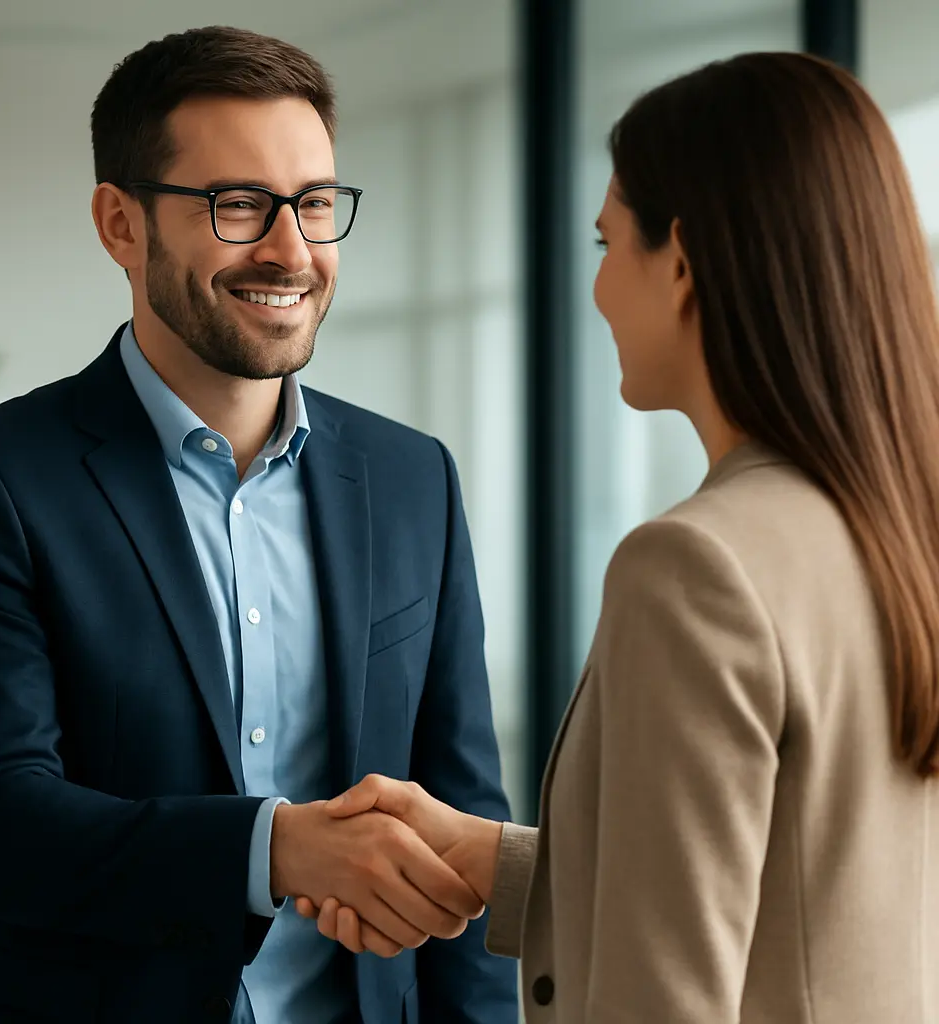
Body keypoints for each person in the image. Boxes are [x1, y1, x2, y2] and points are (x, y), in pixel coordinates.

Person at [297, 51, 939, 1023]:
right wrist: (496, 860)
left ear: (678, 260)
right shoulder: (896, 532)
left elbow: (664, 995)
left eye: (605, 244)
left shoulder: (698, 568)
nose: (594, 290)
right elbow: (801, 892)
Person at [0, 25, 518, 1024]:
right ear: (120, 223)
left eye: (315, 204)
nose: (291, 249)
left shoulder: (414, 477)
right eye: (237, 205)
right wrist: (275, 847)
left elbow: (465, 824)